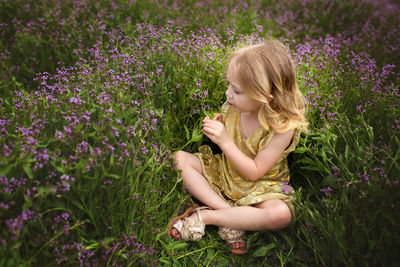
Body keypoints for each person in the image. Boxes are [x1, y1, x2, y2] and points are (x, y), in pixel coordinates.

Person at [167, 39, 308, 255]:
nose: (228, 94)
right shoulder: (235, 106)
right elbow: (229, 134)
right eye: (229, 85)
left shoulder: (282, 127)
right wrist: (219, 126)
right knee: (179, 158)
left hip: (261, 186)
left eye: (237, 90)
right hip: (226, 172)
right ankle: (232, 216)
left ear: (265, 98)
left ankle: (206, 216)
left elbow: (254, 172)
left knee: (281, 214)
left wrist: (224, 141)